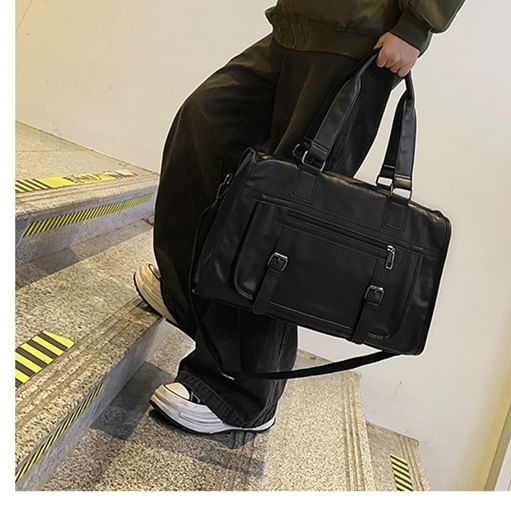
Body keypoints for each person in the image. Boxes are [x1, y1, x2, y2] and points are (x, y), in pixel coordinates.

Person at [134, 0, 464, 434]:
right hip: (298, 24)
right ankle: (190, 298)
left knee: (286, 215)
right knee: (205, 125)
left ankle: (241, 394)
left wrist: (417, 27)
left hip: (359, 35)